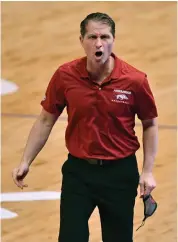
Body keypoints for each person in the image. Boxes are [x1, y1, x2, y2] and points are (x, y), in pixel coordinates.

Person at [12, 12, 158, 242]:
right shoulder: (65, 76)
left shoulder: (135, 81)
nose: (98, 43)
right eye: (92, 37)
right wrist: (25, 160)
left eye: (105, 37)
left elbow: (149, 124)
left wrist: (148, 171)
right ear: (81, 41)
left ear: (113, 40)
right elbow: (45, 119)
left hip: (119, 175)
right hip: (79, 173)